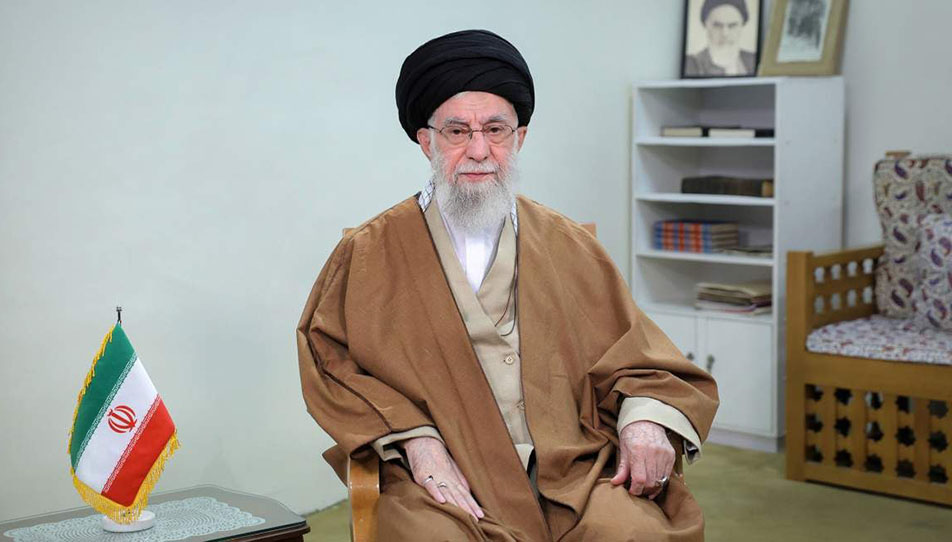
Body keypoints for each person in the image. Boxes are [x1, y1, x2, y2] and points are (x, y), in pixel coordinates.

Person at [298, 29, 719, 541]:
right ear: (426, 141)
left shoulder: (569, 245)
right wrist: (417, 442)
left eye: (495, 130)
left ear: (519, 138)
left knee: (635, 532)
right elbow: (332, 363)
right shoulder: (368, 252)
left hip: (574, 465)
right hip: (445, 475)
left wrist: (643, 420)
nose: (479, 150)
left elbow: (640, 359)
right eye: (458, 131)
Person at [684, 0, 756, 77]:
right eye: (717, 25)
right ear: (705, 25)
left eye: (732, 26)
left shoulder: (753, 60)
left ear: (742, 26)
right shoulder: (690, 64)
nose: (725, 34)